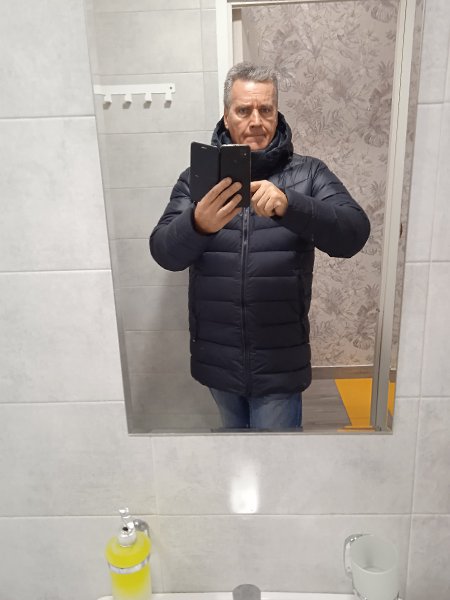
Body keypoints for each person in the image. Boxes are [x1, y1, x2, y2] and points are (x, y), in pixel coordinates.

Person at [150, 62, 370, 431]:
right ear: (226, 115)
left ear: (276, 112)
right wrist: (197, 224)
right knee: (234, 455)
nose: (256, 121)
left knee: (277, 462)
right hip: (218, 359)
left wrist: (291, 205)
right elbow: (163, 252)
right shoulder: (196, 181)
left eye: (265, 109)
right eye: (244, 110)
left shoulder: (309, 174)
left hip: (279, 362)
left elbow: (354, 234)